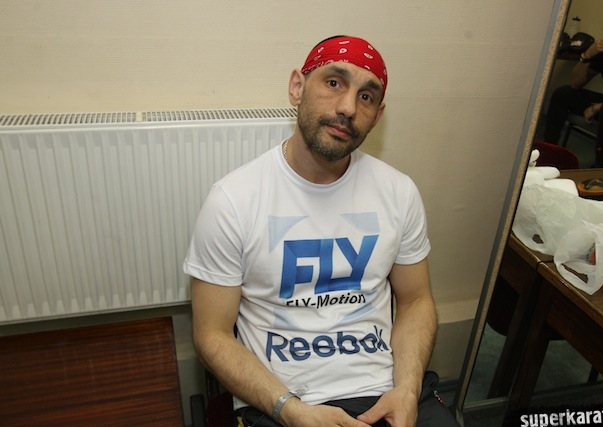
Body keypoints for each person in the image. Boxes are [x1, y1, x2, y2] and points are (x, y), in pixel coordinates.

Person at [184, 35, 460, 427]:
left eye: (366, 97)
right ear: (297, 87)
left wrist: (407, 390)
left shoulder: (398, 192)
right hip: (282, 401)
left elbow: (416, 301)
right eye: (333, 83)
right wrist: (292, 410)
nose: (348, 107)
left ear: (377, 116)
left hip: (386, 391)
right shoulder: (233, 200)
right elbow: (211, 335)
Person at [543, 2, 603, 145]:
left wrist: (600, 107)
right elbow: (575, 84)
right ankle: (549, 149)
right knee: (562, 94)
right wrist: (587, 55)